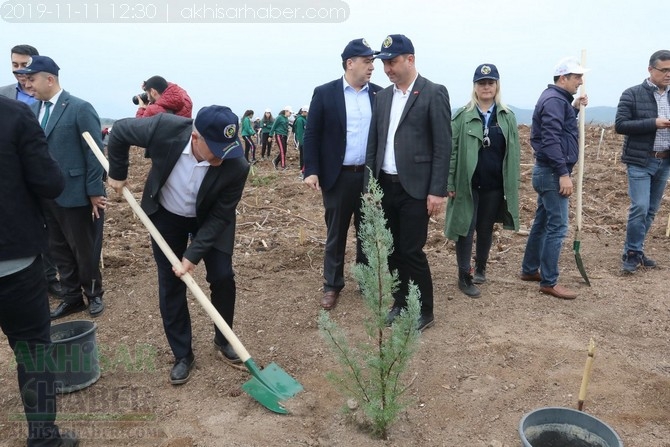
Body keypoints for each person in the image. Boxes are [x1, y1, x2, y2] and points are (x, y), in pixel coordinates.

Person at [106, 106, 250, 385]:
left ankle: (224, 338)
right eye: (217, 148)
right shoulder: (164, 129)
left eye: (228, 147)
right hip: (167, 216)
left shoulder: (236, 164)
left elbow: (221, 215)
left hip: (209, 218)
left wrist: (192, 255)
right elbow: (120, 131)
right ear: (196, 137)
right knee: (171, 284)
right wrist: (117, 172)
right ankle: (183, 354)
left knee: (223, 276)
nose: (223, 155)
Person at [0, 96, 79, 446]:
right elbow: (49, 182)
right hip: (12, 259)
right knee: (32, 351)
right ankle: (44, 438)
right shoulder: (12, 114)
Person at [365, 35, 451, 331]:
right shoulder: (383, 97)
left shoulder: (433, 93)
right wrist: (370, 188)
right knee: (390, 250)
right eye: (384, 63)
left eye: (392, 61)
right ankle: (400, 302)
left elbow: (442, 146)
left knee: (411, 251)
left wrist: (437, 190)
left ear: (410, 59)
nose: (387, 68)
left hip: (415, 188)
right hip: (385, 186)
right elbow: (373, 144)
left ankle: (423, 309)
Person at [16, 55, 107, 318]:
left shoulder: (79, 107)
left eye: (31, 79)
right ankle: (71, 297)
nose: (28, 85)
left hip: (76, 193)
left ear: (50, 79)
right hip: (45, 195)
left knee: (84, 248)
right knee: (58, 249)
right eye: (25, 80)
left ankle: (94, 294)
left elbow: (94, 152)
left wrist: (94, 191)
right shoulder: (32, 110)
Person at [303, 38, 383, 310]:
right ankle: (332, 285)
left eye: (373, 62)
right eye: (367, 61)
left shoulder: (379, 95)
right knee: (336, 232)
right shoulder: (325, 93)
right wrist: (311, 170)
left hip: (368, 178)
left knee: (367, 230)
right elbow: (311, 134)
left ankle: (365, 278)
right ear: (350, 63)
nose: (372, 67)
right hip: (337, 176)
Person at [445, 64, 521, 298]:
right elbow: (452, 150)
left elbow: (514, 154)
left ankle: (481, 267)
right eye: (481, 83)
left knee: (485, 228)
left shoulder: (507, 117)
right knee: (465, 229)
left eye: (490, 83)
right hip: (468, 185)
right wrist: (449, 183)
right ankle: (464, 275)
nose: (486, 87)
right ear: (475, 87)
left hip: (494, 186)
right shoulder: (463, 116)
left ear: (497, 86)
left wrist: (512, 185)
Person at [520, 57, 589, 300]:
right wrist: (563, 173)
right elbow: (549, 139)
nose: (580, 82)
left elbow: (558, 129)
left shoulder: (558, 101)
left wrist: (573, 108)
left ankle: (529, 269)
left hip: (548, 171)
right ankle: (549, 281)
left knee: (542, 222)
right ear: (563, 78)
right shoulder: (553, 101)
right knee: (558, 227)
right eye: (576, 77)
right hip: (551, 173)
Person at [0, 44, 64, 298]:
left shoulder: (56, 102)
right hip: (14, 201)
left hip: (40, 182)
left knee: (50, 237)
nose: (19, 72)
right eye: (14, 66)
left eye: (24, 66)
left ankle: (51, 278)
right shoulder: (6, 98)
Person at [616, 50, 670, 273]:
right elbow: (621, 125)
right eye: (664, 70)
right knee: (639, 207)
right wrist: (653, 123)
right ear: (650, 70)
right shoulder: (632, 94)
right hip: (640, 160)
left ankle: (635, 249)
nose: (668, 74)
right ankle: (632, 253)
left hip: (664, 161)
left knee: (650, 210)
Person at [270, 106, 292, 170]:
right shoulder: (279, 117)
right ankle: (283, 166)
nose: (290, 114)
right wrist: (270, 135)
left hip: (284, 136)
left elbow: (285, 126)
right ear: (286, 111)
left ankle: (276, 161)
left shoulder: (286, 119)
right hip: (279, 135)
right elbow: (273, 126)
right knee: (282, 151)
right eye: (290, 113)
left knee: (284, 150)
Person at [293, 105, 308, 172]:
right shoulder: (300, 120)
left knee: (304, 155)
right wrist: (301, 142)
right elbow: (299, 132)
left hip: (306, 140)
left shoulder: (305, 119)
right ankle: (302, 169)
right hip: (303, 141)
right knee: (303, 156)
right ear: (303, 112)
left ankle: (304, 168)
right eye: (307, 112)